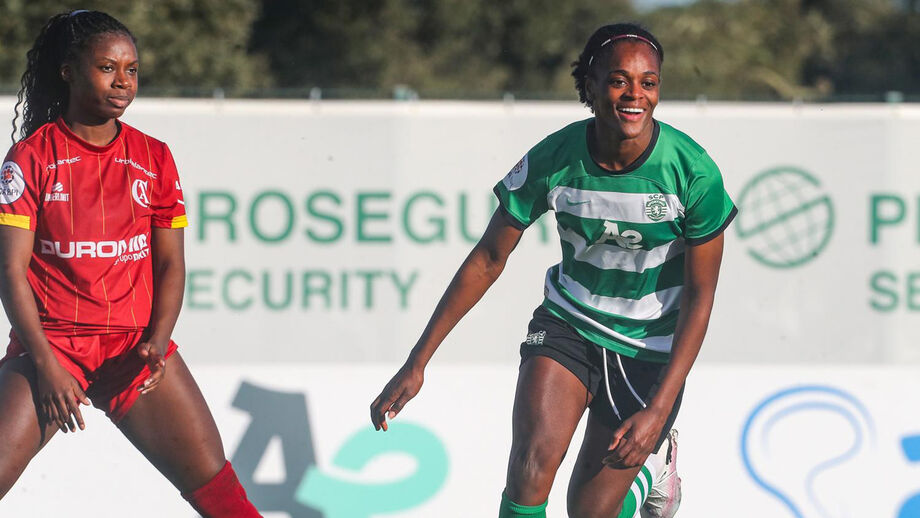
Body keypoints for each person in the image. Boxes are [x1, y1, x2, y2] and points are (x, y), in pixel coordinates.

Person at [371, 22, 736, 518]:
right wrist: (418, 362)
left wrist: (657, 410)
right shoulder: (555, 157)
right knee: (529, 470)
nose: (635, 95)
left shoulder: (693, 172)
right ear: (589, 84)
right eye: (618, 80)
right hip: (568, 325)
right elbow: (488, 258)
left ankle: (656, 462)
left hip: (649, 350)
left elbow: (700, 297)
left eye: (648, 82)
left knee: (588, 511)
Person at [0, 10, 261, 517]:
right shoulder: (30, 158)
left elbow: (171, 266)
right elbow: (10, 273)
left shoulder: (155, 156)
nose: (122, 82)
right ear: (68, 71)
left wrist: (159, 340)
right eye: (107, 67)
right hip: (52, 347)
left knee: (221, 494)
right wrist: (48, 366)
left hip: (132, 351)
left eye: (132, 70)